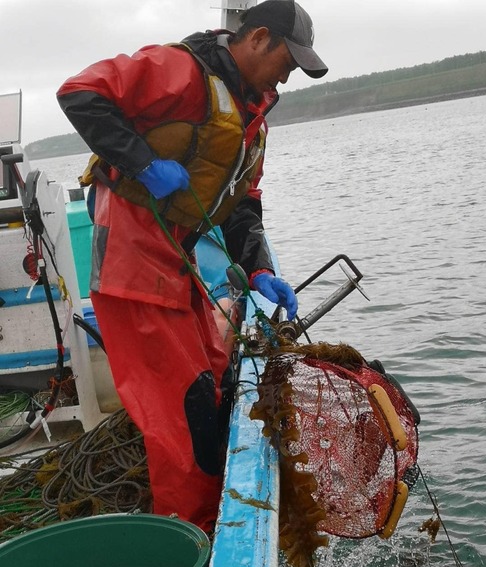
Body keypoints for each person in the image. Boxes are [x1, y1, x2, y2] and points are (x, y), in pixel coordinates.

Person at [57, 0, 328, 533]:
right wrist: (142, 162)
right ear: (257, 39)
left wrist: (259, 269)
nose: (288, 76)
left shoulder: (252, 118)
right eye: (287, 61)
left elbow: (243, 205)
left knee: (215, 384)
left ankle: (208, 517)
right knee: (185, 422)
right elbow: (80, 93)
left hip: (180, 270)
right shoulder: (180, 70)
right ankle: (193, 544)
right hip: (134, 268)